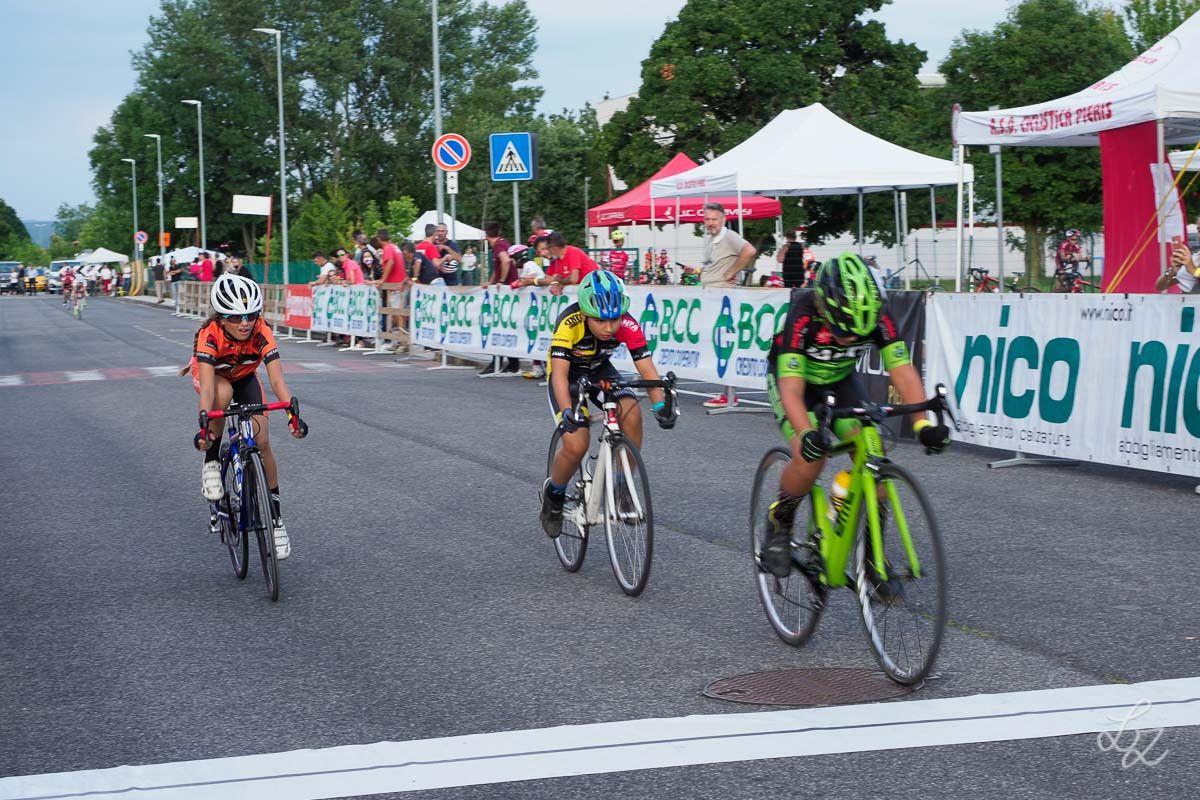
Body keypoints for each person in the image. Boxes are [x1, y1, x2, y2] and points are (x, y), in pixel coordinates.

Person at [758, 253, 950, 579]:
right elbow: (790, 388)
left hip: (840, 378)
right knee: (810, 458)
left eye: (857, 335)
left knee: (873, 449)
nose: (849, 339)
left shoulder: (876, 313)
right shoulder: (802, 312)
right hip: (795, 381)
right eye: (842, 331)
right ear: (823, 306)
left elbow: (902, 371)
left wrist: (921, 424)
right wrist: (807, 434)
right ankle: (781, 521)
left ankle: (872, 558)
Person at [539, 271, 676, 538]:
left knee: (632, 414)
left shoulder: (628, 323)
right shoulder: (569, 322)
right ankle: (554, 495)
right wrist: (567, 411)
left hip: (600, 371)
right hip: (568, 377)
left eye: (614, 319)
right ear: (585, 313)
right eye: (600, 320)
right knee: (576, 444)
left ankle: (621, 484)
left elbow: (647, 369)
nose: (609, 327)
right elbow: (559, 375)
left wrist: (660, 407)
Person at [188, 274, 308, 559]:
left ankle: (276, 521)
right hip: (214, 379)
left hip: (245, 377)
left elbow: (277, 380)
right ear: (221, 317)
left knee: (262, 440)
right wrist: (204, 426)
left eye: (251, 315)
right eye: (235, 317)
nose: (245, 323)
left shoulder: (261, 330)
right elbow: (208, 389)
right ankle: (212, 461)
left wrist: (292, 415)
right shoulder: (209, 334)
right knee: (223, 392)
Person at [693, 202, 758, 408]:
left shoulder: (729, 236)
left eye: (714, 219)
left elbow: (749, 250)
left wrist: (732, 271)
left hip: (723, 298)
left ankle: (729, 394)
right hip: (713, 294)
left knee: (724, 342)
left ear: (723, 219)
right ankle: (727, 392)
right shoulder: (713, 239)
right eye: (707, 219)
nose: (710, 223)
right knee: (717, 343)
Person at [482, 221, 519, 375]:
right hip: (508, 290)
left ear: (486, 234)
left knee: (499, 326)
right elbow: (500, 266)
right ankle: (511, 363)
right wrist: (491, 282)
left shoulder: (498, 246)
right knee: (505, 326)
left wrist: (502, 281)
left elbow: (506, 261)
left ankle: (502, 362)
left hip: (506, 292)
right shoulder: (504, 242)